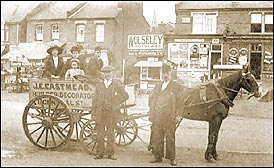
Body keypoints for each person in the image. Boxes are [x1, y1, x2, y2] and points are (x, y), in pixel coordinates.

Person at [148, 63, 184, 166]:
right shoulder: (158, 86)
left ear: (170, 73)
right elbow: (152, 99)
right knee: (158, 136)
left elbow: (180, 102)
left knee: (170, 137)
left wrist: (178, 115)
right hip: (158, 115)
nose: (165, 75)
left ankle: (172, 158)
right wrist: (152, 112)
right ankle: (158, 156)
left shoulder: (176, 86)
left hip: (170, 116)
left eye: (167, 73)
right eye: (163, 73)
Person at [92, 66, 129, 160]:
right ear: (103, 74)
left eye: (108, 72)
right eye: (105, 72)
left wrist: (116, 102)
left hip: (111, 113)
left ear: (111, 73)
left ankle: (110, 154)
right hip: (101, 112)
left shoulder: (116, 84)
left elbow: (125, 96)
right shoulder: (99, 85)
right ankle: (99, 153)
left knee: (110, 133)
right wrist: (94, 113)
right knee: (100, 133)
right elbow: (95, 100)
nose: (107, 74)